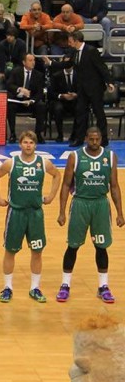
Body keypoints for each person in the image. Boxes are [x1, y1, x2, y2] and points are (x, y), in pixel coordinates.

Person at [0, 131, 62, 303]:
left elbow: (57, 175)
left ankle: (34, 288)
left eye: (31, 142)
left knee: (37, 251)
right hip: (16, 213)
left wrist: (52, 195)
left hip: (35, 213)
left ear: (35, 145)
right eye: (25, 142)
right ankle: (7, 288)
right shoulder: (11, 163)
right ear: (20, 145)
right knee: (10, 251)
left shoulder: (43, 163)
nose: (28, 145)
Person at [56, 127, 124, 304]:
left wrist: (120, 213)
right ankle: (65, 285)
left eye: (97, 139)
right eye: (91, 139)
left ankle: (103, 286)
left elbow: (114, 186)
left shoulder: (110, 157)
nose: (94, 142)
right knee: (73, 246)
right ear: (86, 138)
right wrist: (62, 212)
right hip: (80, 203)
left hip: (101, 204)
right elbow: (65, 185)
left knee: (101, 247)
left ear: (101, 139)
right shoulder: (75, 156)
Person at [66, 31, 114, 147]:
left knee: (99, 114)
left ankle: (104, 139)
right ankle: (80, 139)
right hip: (82, 89)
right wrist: (51, 63)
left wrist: (109, 82)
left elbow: (101, 67)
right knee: (80, 113)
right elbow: (67, 65)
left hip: (94, 88)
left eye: (70, 41)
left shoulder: (91, 51)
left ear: (77, 41)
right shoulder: (74, 52)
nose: (69, 43)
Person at [6, 53, 48, 142]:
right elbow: (9, 85)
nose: (33, 63)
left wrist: (32, 101)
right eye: (30, 60)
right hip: (18, 100)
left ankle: (38, 134)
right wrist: (19, 89)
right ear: (24, 62)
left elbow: (40, 92)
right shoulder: (16, 71)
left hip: (31, 102)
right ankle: (13, 133)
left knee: (41, 105)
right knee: (10, 106)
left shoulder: (39, 75)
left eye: (34, 60)